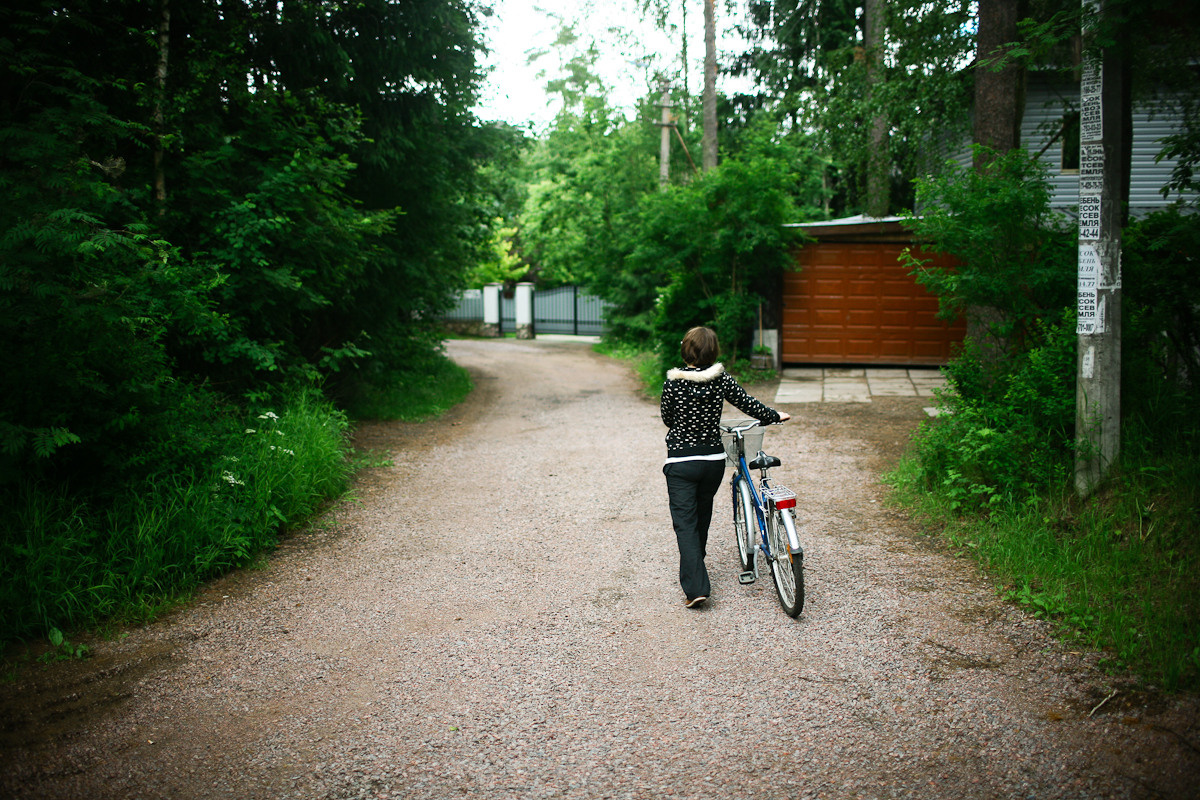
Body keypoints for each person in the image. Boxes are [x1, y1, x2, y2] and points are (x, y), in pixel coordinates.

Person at [660, 326, 790, 608]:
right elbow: (747, 403)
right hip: (712, 461)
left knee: (685, 523)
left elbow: (667, 418)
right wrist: (773, 415)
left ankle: (696, 587)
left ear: (686, 349)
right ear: (713, 351)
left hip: (681, 462)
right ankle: (696, 567)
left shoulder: (673, 383)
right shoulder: (720, 380)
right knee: (702, 513)